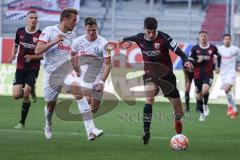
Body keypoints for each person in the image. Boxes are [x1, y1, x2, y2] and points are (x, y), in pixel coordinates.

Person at [122, 17, 193, 145]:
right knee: (149, 98)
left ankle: (177, 119)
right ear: (144, 30)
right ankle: (146, 132)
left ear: (156, 29)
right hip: (150, 74)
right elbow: (125, 40)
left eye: (153, 31)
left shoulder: (165, 38)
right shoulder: (139, 38)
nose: (151, 34)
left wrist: (186, 61)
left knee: (179, 112)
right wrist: (120, 42)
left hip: (167, 75)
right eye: (148, 32)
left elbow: (180, 52)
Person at [65, 17, 111, 140]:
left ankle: (91, 129)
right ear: (85, 29)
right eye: (89, 30)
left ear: (97, 28)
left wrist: (102, 81)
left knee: (94, 108)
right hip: (84, 77)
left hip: (98, 77)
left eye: (94, 30)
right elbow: (72, 55)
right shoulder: (77, 41)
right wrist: (75, 68)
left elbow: (108, 64)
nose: (91, 33)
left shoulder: (104, 44)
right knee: (86, 99)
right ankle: (90, 132)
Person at [9, 11, 42, 129]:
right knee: (16, 95)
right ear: (27, 19)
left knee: (26, 93)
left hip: (33, 68)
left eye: (35, 18)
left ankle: (21, 122)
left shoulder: (40, 35)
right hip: (20, 68)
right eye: (31, 18)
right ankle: (31, 88)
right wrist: (13, 54)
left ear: (37, 20)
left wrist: (33, 57)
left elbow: (43, 55)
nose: (33, 20)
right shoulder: (20, 31)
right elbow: (16, 45)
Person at [189, 30, 221, 121]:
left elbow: (219, 56)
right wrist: (196, 61)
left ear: (207, 37)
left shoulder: (213, 48)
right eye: (201, 36)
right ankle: (202, 113)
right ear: (199, 38)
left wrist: (218, 66)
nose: (203, 37)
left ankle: (205, 105)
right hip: (197, 75)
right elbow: (190, 60)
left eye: (205, 36)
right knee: (198, 96)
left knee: (205, 90)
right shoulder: (194, 48)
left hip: (208, 74)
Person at [218, 34, 240, 119]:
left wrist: (238, 66)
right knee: (227, 91)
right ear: (223, 40)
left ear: (231, 40)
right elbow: (216, 59)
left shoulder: (236, 49)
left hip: (231, 72)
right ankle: (231, 107)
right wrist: (217, 67)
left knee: (227, 89)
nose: (227, 40)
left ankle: (233, 108)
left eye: (228, 39)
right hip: (223, 73)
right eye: (225, 39)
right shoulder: (219, 49)